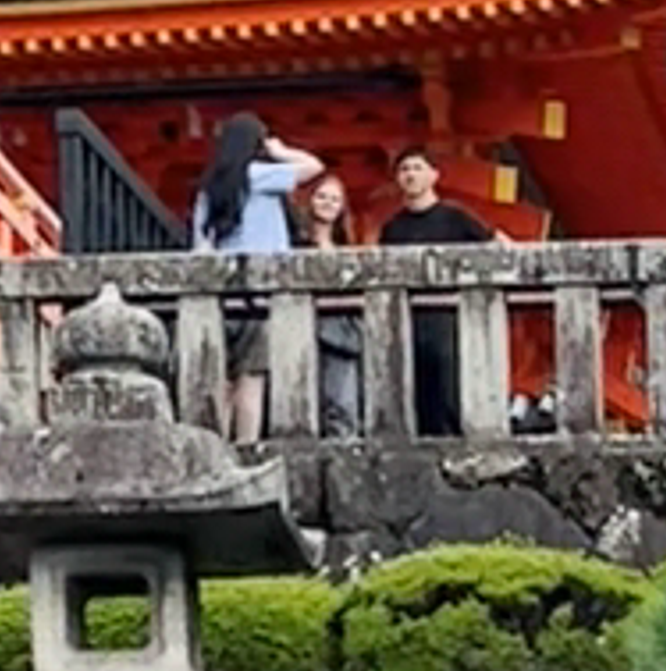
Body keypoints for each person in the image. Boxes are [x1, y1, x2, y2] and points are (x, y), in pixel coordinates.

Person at [188, 106, 338, 425]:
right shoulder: (258, 176)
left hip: (220, 292)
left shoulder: (209, 188)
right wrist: (280, 150)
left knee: (219, 378)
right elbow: (314, 166)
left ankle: (216, 445)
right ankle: (246, 446)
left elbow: (200, 246)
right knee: (251, 378)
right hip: (259, 292)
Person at [375, 138, 485, 433]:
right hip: (408, 318)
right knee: (414, 388)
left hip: (449, 315)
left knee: (450, 386)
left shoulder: (456, 218)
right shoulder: (392, 227)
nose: (410, 175)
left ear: (434, 175)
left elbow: (495, 247)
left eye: (417, 168)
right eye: (404, 169)